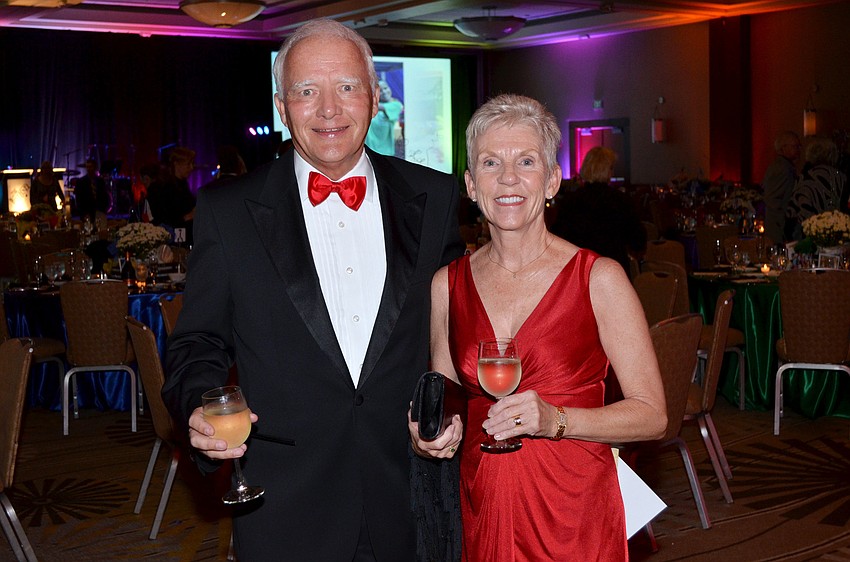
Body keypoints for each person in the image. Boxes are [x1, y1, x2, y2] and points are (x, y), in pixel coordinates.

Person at [161, 18, 463, 561]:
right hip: (286, 501)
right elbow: (197, 342)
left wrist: (454, 409)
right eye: (306, 91)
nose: (329, 109)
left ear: (374, 98)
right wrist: (197, 411)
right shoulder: (228, 212)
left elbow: (456, 329)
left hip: (408, 492)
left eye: (347, 87)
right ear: (282, 107)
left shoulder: (434, 196)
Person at [409, 94, 667, 560]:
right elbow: (448, 396)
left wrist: (556, 420)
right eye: (490, 162)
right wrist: (431, 433)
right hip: (484, 501)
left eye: (526, 161)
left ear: (551, 180)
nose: (508, 177)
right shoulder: (447, 284)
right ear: (471, 185)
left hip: (574, 508)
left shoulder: (598, 278)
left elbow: (652, 416)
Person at [551, 146, 646, 277]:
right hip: (613, 272)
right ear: (608, 171)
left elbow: (558, 237)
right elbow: (638, 241)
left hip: (580, 272)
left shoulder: (571, 201)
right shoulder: (620, 200)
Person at [786, 136, 848, 240]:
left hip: (807, 231)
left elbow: (792, 210)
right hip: (834, 230)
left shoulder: (804, 177)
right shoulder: (840, 178)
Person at [146, 147, 196, 242]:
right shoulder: (164, 187)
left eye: (192, 164)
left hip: (184, 234)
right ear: (176, 164)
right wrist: (187, 217)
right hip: (172, 237)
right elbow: (163, 217)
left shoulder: (183, 184)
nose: (191, 168)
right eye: (188, 164)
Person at [762, 131, 800, 242]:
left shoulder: (782, 166)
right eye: (795, 146)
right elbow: (773, 199)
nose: (798, 150)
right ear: (783, 148)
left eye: (799, 146)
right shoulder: (782, 168)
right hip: (779, 226)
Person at [365, 79, 403, 156]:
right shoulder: (368, 108)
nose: (384, 92)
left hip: (386, 154)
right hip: (369, 154)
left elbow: (380, 107)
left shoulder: (396, 105)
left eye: (385, 88)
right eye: (380, 91)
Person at [74, 158, 111, 224]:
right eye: (87, 167)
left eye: (90, 167)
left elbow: (104, 196)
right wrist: (82, 212)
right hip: (86, 211)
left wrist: (103, 210)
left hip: (99, 210)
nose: (89, 169)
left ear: (95, 168)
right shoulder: (81, 182)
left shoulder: (100, 181)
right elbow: (79, 198)